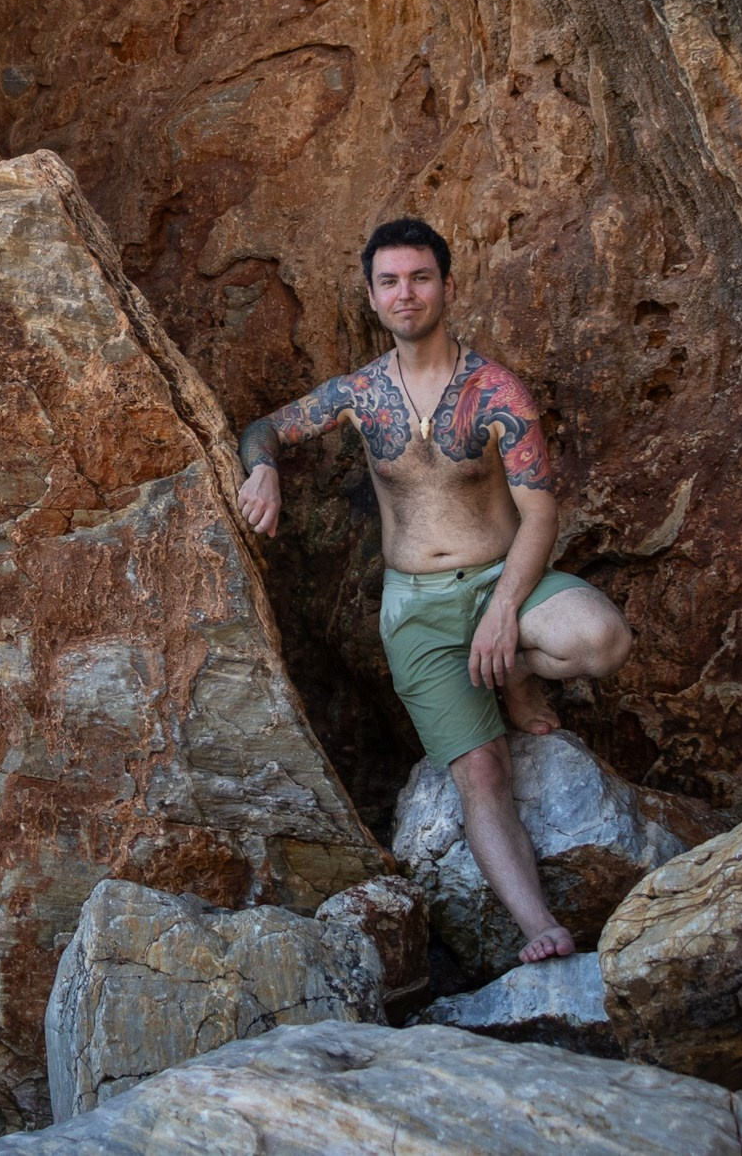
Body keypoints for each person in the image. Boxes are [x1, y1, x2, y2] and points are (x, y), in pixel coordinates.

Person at [235, 218, 632, 964]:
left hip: (499, 576)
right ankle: (539, 925)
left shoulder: (496, 390)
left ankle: (511, 671)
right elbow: (264, 429)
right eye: (390, 281)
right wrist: (263, 470)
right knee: (482, 771)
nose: (406, 292)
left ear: (448, 286)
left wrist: (505, 612)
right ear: (372, 295)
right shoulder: (359, 394)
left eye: (420, 277)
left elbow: (541, 509)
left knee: (602, 637)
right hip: (415, 609)